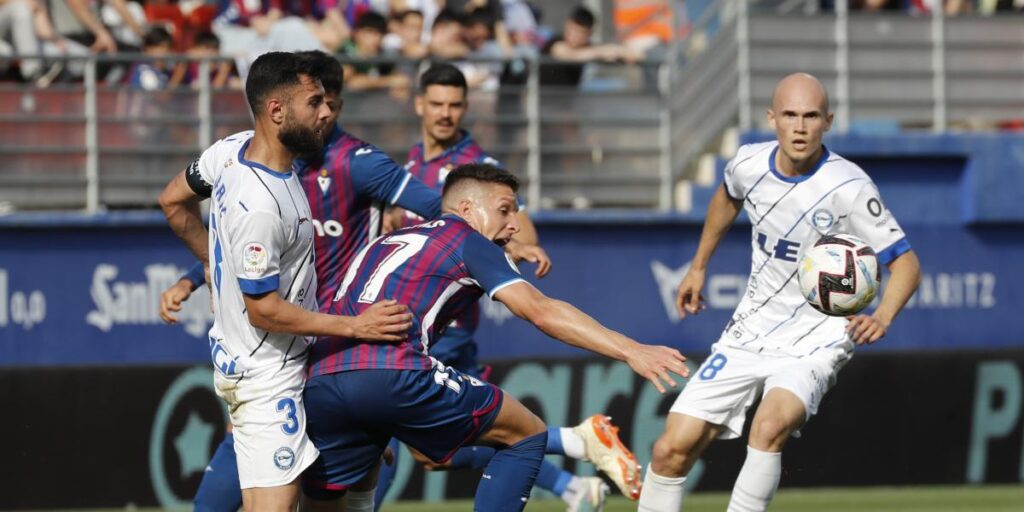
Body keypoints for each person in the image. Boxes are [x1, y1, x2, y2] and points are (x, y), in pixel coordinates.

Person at [302, 163, 691, 512]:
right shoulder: (466, 238)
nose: (514, 225)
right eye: (505, 210)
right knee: (525, 434)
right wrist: (631, 349)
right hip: (391, 372)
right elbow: (540, 311)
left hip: (321, 381)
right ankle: (577, 444)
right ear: (467, 209)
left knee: (339, 495)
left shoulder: (386, 241)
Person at [637, 73, 922, 512]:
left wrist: (882, 315)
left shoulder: (849, 186)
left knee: (768, 426)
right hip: (750, 332)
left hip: (819, 339)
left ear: (828, 121)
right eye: (790, 115)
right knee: (670, 451)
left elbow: (906, 263)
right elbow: (727, 197)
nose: (800, 126)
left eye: (811, 116)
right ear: (772, 119)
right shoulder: (748, 164)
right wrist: (698, 267)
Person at [156, 51, 414, 512]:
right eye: (314, 102)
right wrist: (358, 327)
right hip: (268, 380)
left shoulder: (229, 152)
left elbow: (173, 201)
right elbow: (265, 309)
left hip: (284, 365)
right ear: (277, 111)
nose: (326, 113)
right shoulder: (261, 205)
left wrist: (218, 271)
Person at [377, 63, 641, 510]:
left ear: (465, 109)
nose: (445, 113)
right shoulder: (413, 163)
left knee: (384, 433)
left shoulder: (477, 168)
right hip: (413, 320)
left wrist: (525, 247)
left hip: (441, 326)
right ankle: (573, 467)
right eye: (437, 103)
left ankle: (574, 452)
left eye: (455, 105)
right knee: (431, 451)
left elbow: (518, 225)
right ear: (419, 104)